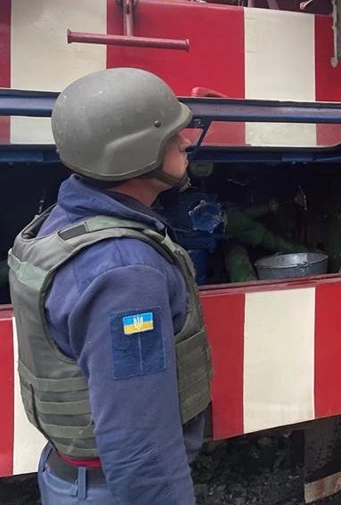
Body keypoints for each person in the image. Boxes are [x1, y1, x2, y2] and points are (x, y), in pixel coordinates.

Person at [8, 68, 212, 504]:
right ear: (135, 154)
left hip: (77, 478)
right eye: (172, 135)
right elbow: (138, 437)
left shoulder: (62, 221)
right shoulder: (124, 271)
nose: (187, 141)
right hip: (117, 490)